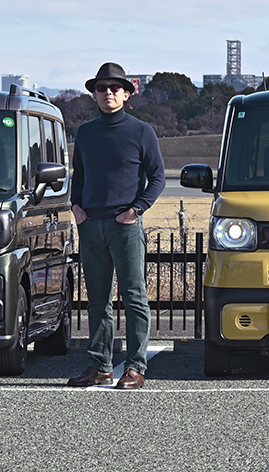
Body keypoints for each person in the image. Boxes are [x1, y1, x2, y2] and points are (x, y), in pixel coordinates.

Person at [65, 62, 166, 389]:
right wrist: (76, 206)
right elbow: (77, 174)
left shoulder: (141, 131)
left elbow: (158, 178)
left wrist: (136, 210)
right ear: (94, 94)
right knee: (97, 299)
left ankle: (136, 367)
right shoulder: (86, 132)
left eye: (114, 88)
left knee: (134, 296)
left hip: (125, 225)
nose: (108, 93)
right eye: (101, 88)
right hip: (91, 225)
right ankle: (100, 366)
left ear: (125, 93)